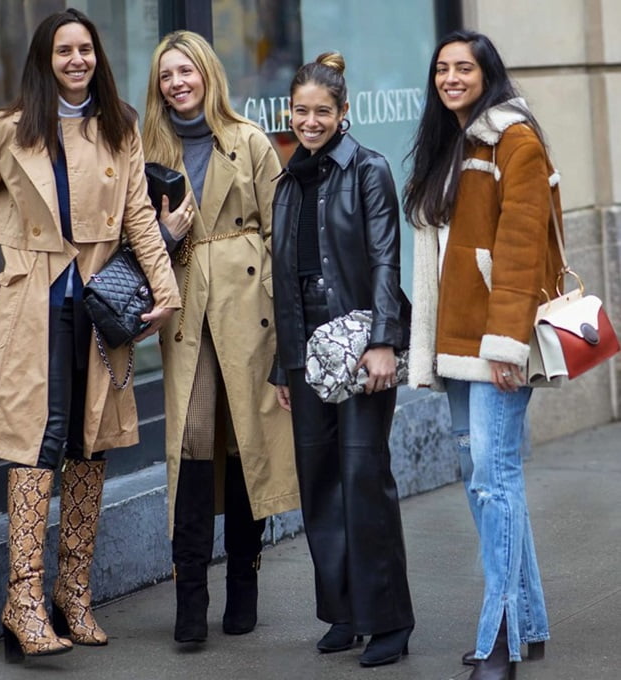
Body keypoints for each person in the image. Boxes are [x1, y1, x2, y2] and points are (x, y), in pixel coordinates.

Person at [0, 8, 180, 664]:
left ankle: (73, 593)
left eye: (85, 49)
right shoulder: (9, 128)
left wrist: (165, 290)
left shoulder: (121, 124)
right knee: (36, 441)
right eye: (64, 51)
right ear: (46, 62)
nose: (77, 59)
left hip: (102, 302)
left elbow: (137, 213)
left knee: (90, 443)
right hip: (35, 300)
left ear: (97, 56)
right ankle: (22, 601)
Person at [404, 30, 562, 680]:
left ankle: (500, 638)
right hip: (457, 343)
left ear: (486, 73)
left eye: (463, 68)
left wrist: (506, 345)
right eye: (441, 68)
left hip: (496, 344)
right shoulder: (451, 144)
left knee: (494, 483)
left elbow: (522, 246)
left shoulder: (513, 139)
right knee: (486, 482)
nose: (450, 78)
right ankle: (529, 620)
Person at [141, 30, 300, 645]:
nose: (177, 83)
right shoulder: (145, 148)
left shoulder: (249, 140)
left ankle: (244, 586)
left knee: (243, 451)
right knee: (191, 447)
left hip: (246, 313)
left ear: (207, 74)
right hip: (186, 317)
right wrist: (168, 234)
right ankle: (189, 602)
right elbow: (133, 242)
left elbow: (279, 234)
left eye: (186, 71)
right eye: (166, 75)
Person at [270, 52, 414, 668]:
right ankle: (344, 612)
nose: (310, 121)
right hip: (306, 355)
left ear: (343, 113)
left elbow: (385, 258)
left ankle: (389, 621)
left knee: (362, 479)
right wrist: (283, 364)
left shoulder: (368, 170)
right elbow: (285, 277)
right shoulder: (288, 179)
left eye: (321, 112)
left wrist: (384, 340)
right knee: (320, 484)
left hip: (358, 346)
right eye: (301, 111)